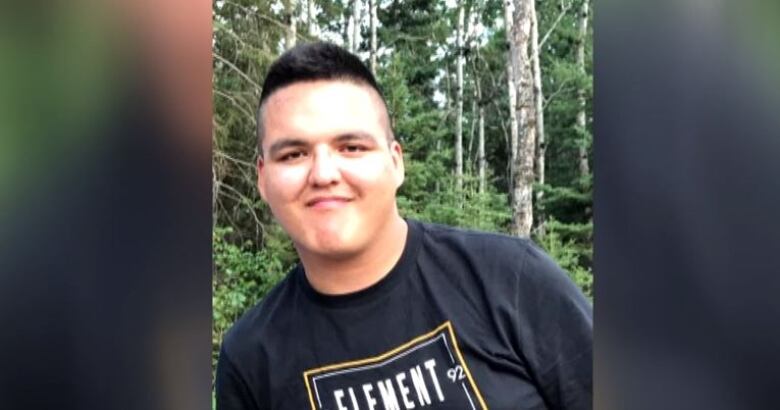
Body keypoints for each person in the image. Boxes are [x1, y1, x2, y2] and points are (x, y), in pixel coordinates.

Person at [216, 41, 592, 410]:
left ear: (396, 163)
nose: (324, 173)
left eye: (352, 148)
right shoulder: (251, 359)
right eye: (294, 154)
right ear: (263, 179)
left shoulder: (510, 278)